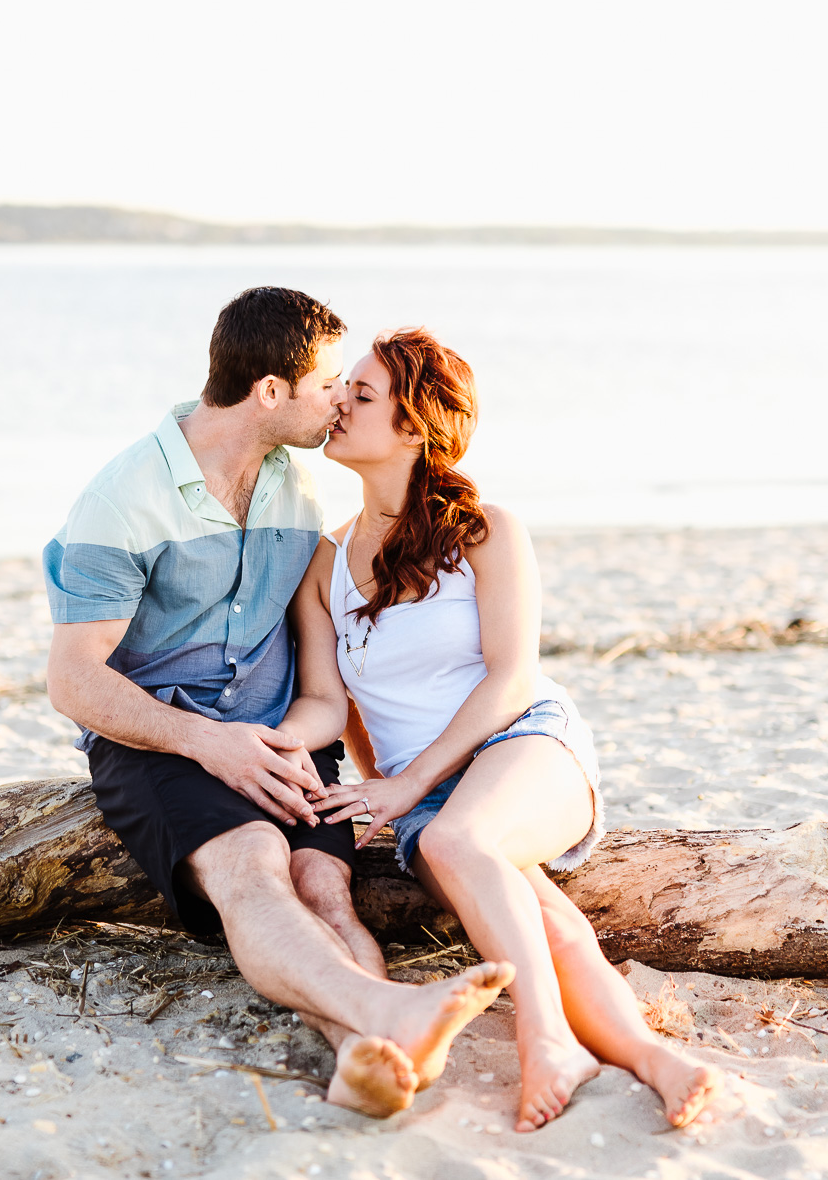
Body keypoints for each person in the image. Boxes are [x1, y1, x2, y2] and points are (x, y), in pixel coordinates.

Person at [42, 288, 510, 1119]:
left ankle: (365, 1057)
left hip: (285, 742)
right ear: (268, 390)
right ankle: (389, 1010)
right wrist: (209, 744)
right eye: (330, 382)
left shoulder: (297, 493)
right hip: (162, 744)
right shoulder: (121, 500)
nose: (339, 399)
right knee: (253, 870)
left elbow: (323, 687)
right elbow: (74, 680)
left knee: (325, 889)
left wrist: (286, 742)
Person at [293, 328, 725, 1132]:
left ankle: (546, 1039)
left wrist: (410, 784)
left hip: (522, 743)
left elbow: (511, 677)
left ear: (415, 425)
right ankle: (655, 1060)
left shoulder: (485, 530)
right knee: (547, 922)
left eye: (361, 395)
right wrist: (304, 760)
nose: (337, 406)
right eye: (340, 389)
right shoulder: (324, 563)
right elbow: (334, 703)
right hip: (432, 794)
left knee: (458, 843)